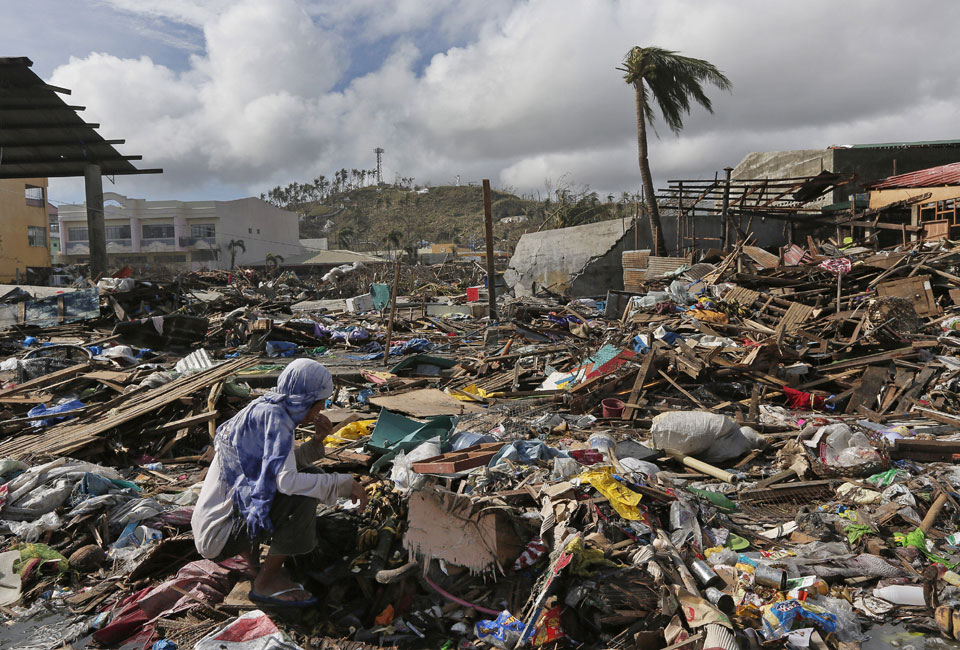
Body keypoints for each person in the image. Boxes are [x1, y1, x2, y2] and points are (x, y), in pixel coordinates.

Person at [191, 358, 367, 607]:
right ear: (306, 400)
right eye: (320, 403)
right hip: (220, 534)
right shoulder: (277, 420)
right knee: (307, 490)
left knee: (304, 478)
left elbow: (273, 466)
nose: (322, 408)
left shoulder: (266, 407)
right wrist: (343, 484)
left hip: (215, 526)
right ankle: (266, 582)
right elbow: (287, 481)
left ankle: (255, 567)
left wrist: (316, 443)